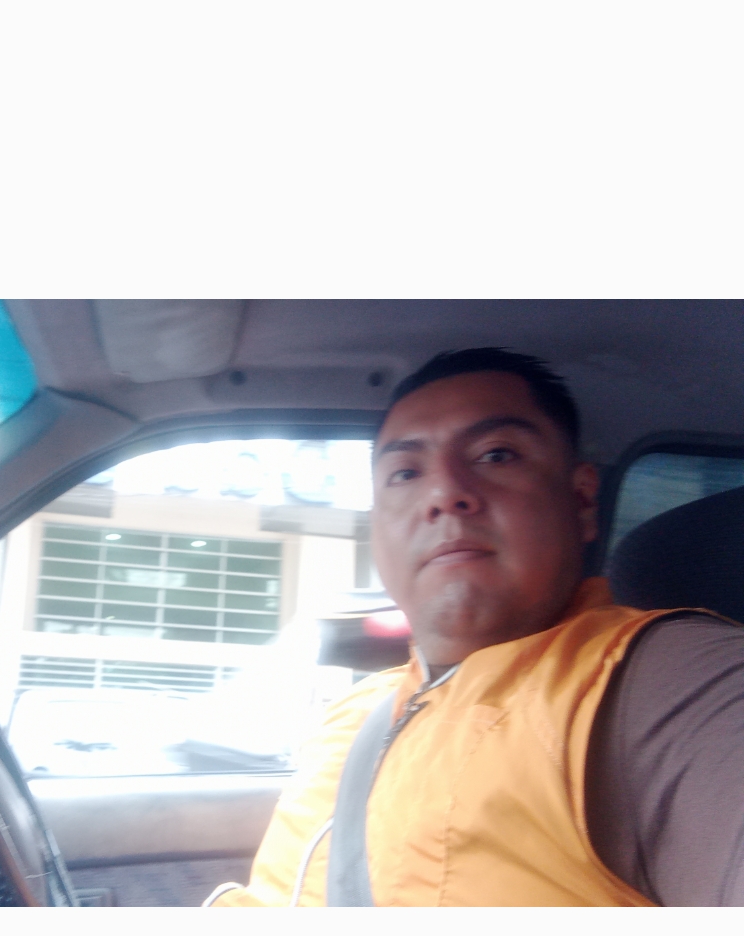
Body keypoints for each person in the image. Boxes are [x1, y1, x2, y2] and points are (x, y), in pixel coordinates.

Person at [207, 346, 744, 907]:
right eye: (405, 473)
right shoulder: (350, 716)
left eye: (496, 455)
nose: (444, 493)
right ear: (378, 527)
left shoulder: (660, 683)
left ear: (582, 500)